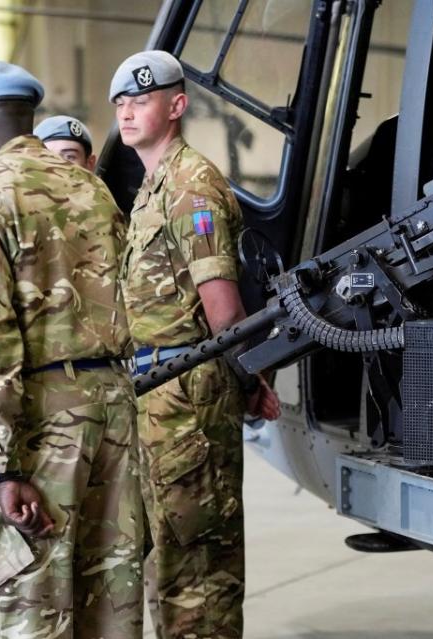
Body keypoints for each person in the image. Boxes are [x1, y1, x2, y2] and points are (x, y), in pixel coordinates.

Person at [0, 60, 143, 638]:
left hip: (41, 420)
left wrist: (3, 467)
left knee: (30, 605)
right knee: (111, 602)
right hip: (114, 411)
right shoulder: (89, 188)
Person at [110, 50, 280, 638]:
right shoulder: (152, 185)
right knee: (172, 562)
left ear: (176, 105)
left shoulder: (190, 183)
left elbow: (224, 309)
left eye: (141, 100)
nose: (127, 113)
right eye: (121, 103)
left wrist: (247, 380)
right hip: (160, 394)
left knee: (199, 568)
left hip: (188, 394)